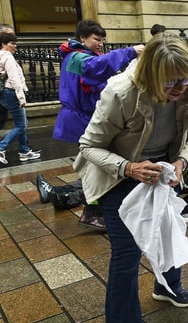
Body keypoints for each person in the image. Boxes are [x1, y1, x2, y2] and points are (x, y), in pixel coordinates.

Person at [72, 32, 188, 323]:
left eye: (185, 78)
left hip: (161, 170)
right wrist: (130, 168)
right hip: (117, 174)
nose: (179, 88)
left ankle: (166, 286)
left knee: (169, 226)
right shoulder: (121, 92)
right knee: (127, 254)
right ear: (151, 75)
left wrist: (182, 161)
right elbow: (87, 146)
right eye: (170, 83)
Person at [39, 20, 144, 229]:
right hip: (81, 120)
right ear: (82, 38)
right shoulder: (76, 58)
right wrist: (130, 51)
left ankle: (87, 207)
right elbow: (95, 69)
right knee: (95, 164)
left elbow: (98, 80)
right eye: (97, 39)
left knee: (94, 164)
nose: (101, 44)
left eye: (103, 40)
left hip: (85, 117)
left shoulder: (78, 56)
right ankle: (91, 212)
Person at [0, 31, 40, 165]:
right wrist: (21, 97)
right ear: (3, 44)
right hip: (12, 92)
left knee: (21, 123)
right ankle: (1, 148)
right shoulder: (7, 57)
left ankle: (24, 151)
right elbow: (15, 79)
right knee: (22, 124)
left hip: (3, 93)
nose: (15, 47)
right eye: (12, 43)